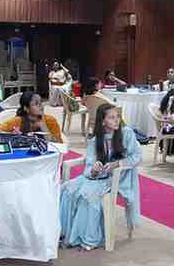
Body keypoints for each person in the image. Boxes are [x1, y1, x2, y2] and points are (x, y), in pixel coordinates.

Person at [60, 104, 142, 250]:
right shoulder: (95, 140)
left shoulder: (127, 133)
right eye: (112, 117)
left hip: (119, 178)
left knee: (88, 195)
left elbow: (137, 157)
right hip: (98, 178)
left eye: (117, 117)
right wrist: (94, 170)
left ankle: (89, 238)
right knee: (67, 189)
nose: (116, 120)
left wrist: (117, 164)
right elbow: (89, 168)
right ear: (103, 121)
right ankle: (65, 232)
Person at [0, 91, 64, 143]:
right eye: (36, 104)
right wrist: (12, 136)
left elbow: (59, 143)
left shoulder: (50, 120)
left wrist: (43, 125)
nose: (41, 106)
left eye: (41, 102)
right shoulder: (18, 121)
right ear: (26, 108)